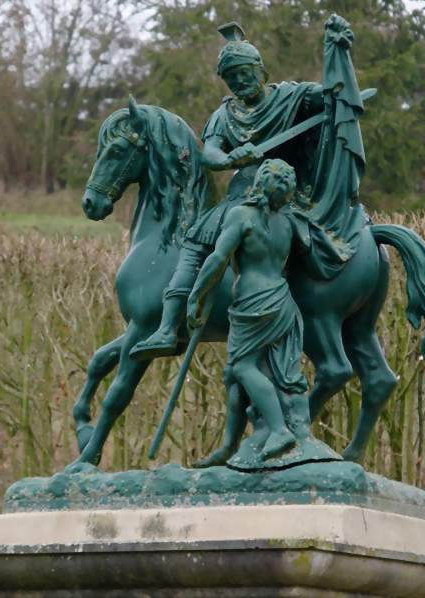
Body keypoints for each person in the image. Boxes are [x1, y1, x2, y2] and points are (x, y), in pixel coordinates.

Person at [130, 22, 324, 361]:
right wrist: (230, 157)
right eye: (231, 77)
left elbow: (328, 97)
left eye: (245, 73)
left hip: (284, 195)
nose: (239, 81)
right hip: (238, 196)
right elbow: (210, 152)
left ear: (261, 71)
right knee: (193, 248)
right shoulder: (225, 113)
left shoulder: (290, 98)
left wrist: (337, 62)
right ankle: (167, 327)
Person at [186, 159, 308, 460]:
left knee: (243, 367)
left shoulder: (241, 215)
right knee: (234, 372)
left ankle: (279, 430)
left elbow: (217, 259)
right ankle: (228, 445)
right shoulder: (287, 222)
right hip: (282, 300)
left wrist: (195, 295)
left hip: (253, 304)